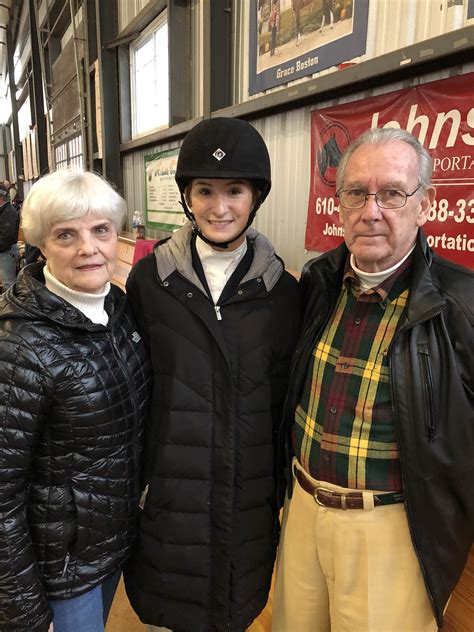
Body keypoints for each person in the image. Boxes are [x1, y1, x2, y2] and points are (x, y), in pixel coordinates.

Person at [273, 128, 473, 631]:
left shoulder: (461, 306)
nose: (372, 211)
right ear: (338, 203)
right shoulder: (319, 282)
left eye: (392, 193)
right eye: (356, 193)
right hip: (302, 510)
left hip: (394, 529)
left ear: (424, 204)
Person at [124, 117, 301, 632]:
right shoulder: (149, 282)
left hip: (246, 497)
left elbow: (282, 402)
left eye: (234, 190)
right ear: (187, 196)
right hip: (171, 496)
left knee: (235, 610)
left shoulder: (282, 293)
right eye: (205, 190)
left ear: (255, 197)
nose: (219, 207)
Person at [0, 170, 151, 631]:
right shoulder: (19, 345)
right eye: (67, 234)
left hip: (109, 544)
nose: (88, 248)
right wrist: (23, 610)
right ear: (42, 243)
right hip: (58, 572)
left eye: (101, 230)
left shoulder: (119, 309)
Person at [0, 179, 20, 291]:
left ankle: (11, 307)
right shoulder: (3, 211)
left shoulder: (9, 212)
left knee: (9, 283)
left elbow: (8, 237)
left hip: (6, 252)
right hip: (3, 251)